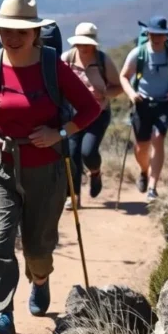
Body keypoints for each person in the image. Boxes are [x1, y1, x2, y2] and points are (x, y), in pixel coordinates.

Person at [0, 0, 101, 334]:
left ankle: (39, 279)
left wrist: (59, 133)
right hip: (1, 164)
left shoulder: (51, 67)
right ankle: (3, 316)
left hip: (46, 168)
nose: (12, 38)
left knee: (39, 247)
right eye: (5, 30)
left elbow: (90, 109)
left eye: (21, 32)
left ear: (35, 34)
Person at [119, 15, 168, 201]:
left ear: (166, 36)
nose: (156, 38)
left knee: (158, 139)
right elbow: (124, 76)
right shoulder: (138, 53)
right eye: (153, 34)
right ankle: (144, 171)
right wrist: (131, 94)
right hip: (142, 104)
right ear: (148, 33)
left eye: (160, 34)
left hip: (163, 104)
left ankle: (152, 187)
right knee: (141, 146)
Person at [61, 22, 123, 209]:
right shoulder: (67, 59)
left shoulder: (103, 61)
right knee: (72, 154)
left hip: (98, 113)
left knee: (88, 152)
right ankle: (73, 196)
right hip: (73, 114)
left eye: (86, 43)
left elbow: (118, 86)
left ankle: (95, 172)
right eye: (80, 43)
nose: (83, 47)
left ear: (94, 43)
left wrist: (104, 93)